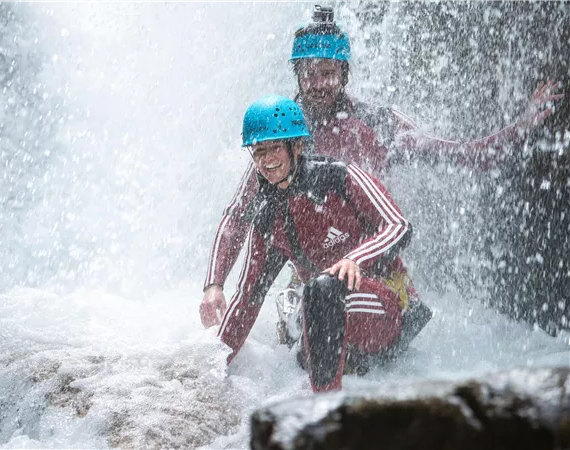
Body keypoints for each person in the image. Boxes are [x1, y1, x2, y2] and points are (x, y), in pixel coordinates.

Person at [201, 5, 561, 343]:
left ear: (344, 73)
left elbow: (463, 156)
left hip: (375, 279)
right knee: (307, 327)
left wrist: (522, 125)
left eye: (328, 71)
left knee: (335, 328)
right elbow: (238, 212)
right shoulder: (282, 136)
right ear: (297, 74)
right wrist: (214, 284)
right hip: (315, 283)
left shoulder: (378, 124)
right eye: (309, 72)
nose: (318, 82)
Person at [202, 95, 427, 392]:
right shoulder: (269, 218)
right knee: (309, 308)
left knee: (321, 290)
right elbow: (246, 299)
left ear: (297, 146)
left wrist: (355, 259)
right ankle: (319, 370)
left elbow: (399, 226)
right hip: (325, 315)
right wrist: (210, 370)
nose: (267, 160)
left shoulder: (340, 176)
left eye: (274, 149)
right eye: (258, 152)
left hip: (385, 307)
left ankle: (324, 412)